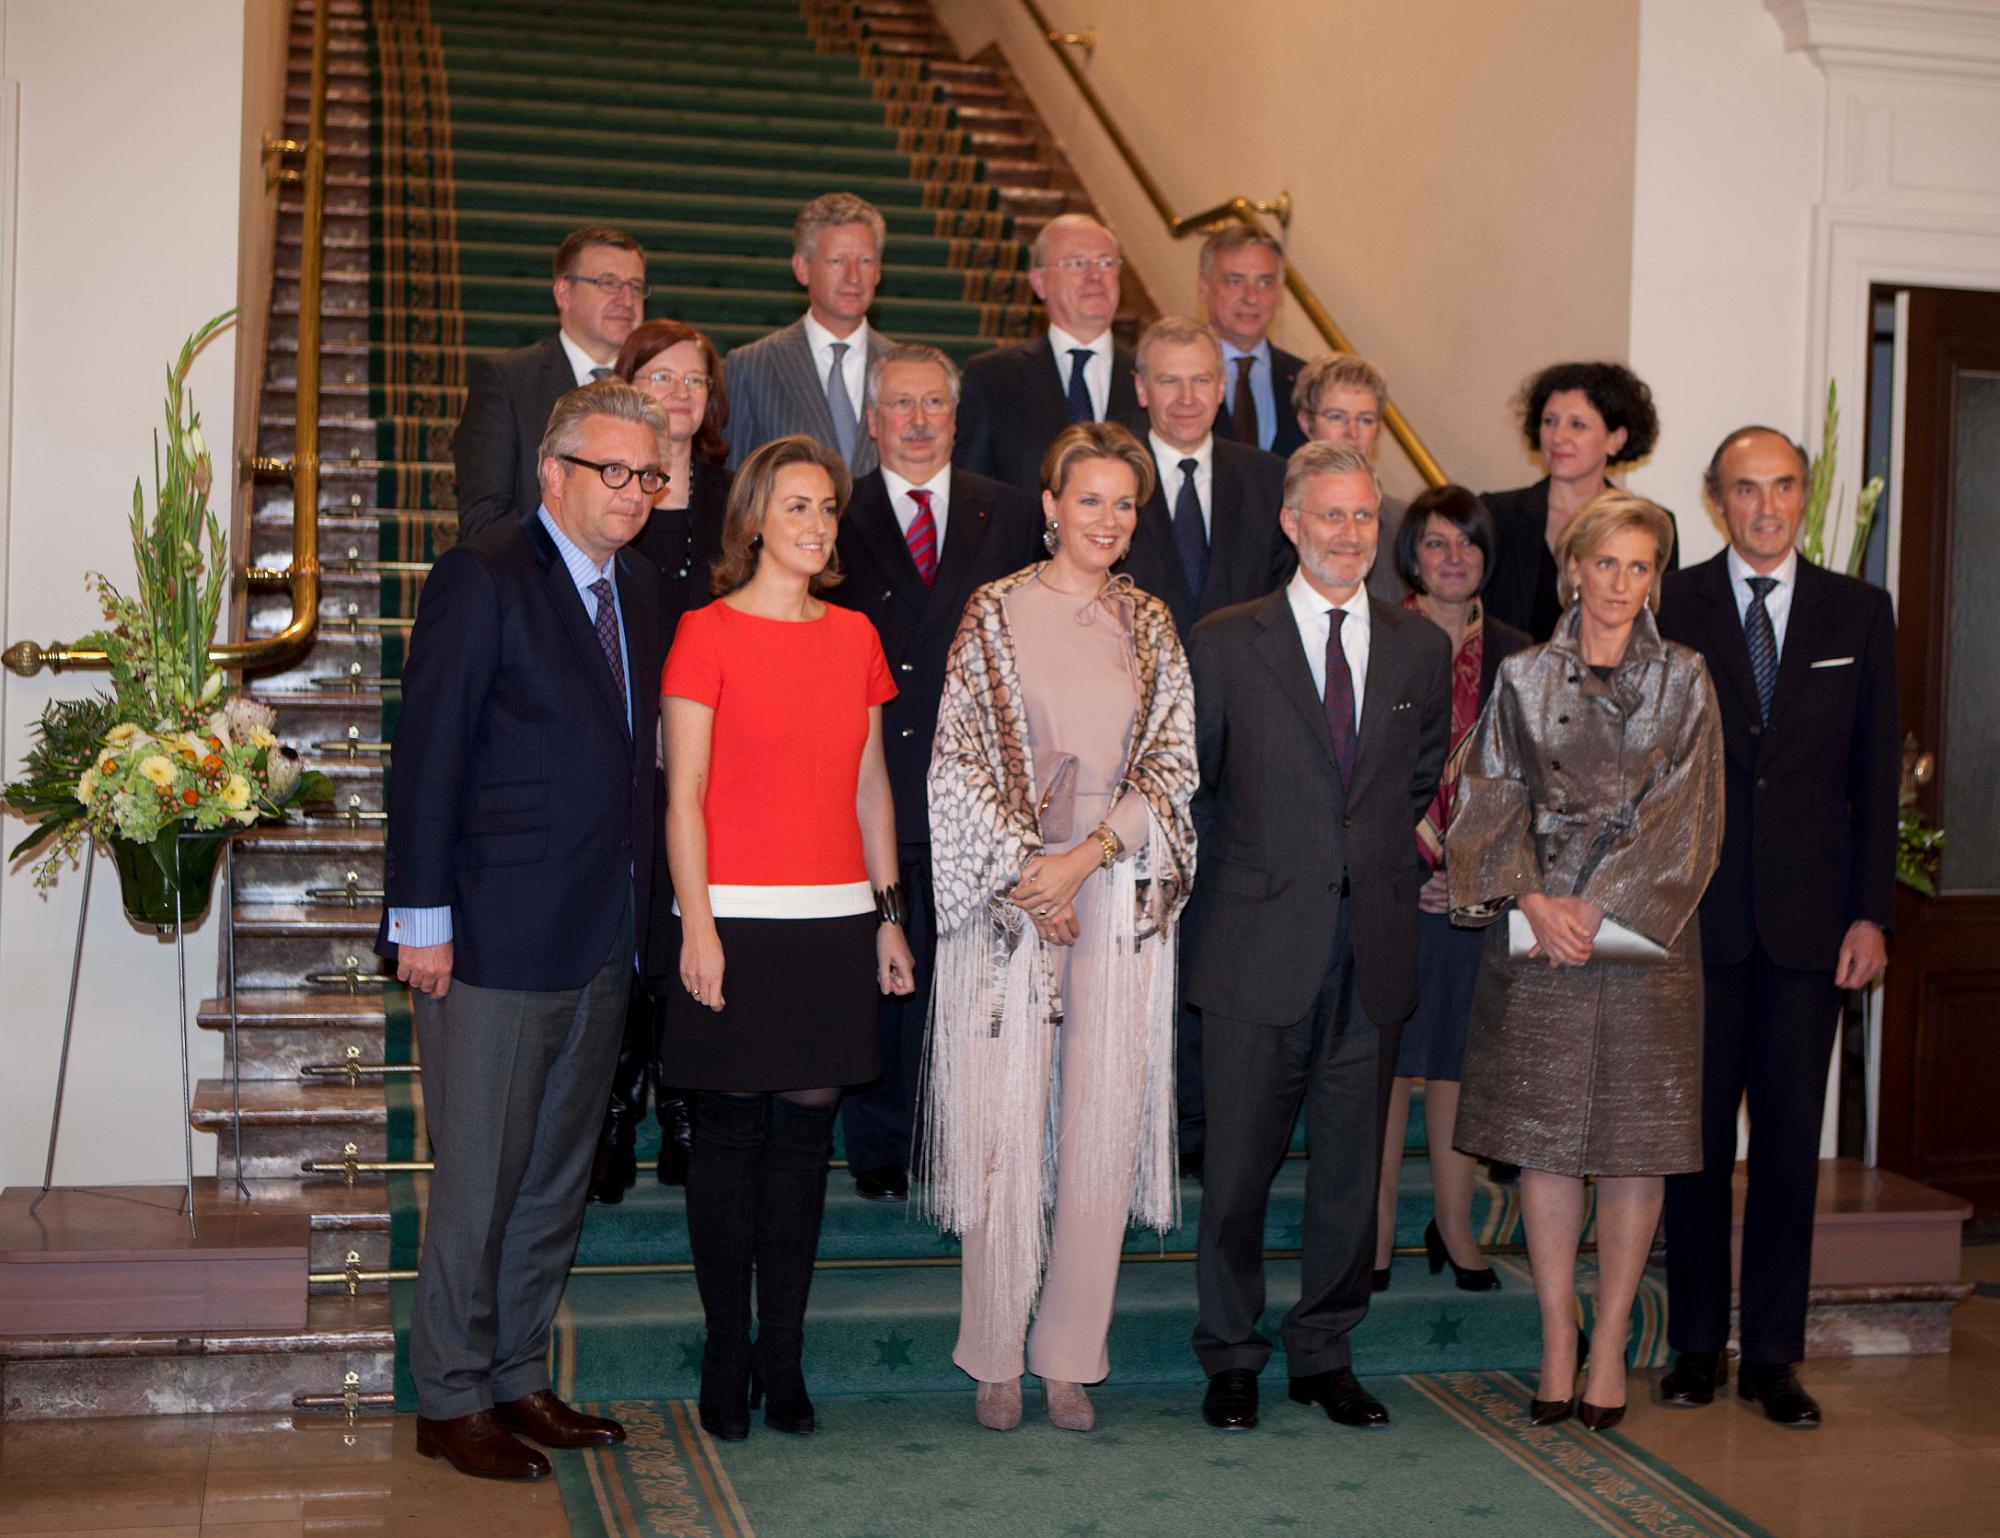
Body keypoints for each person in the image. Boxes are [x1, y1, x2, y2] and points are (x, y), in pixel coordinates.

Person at [379, 380, 670, 1481]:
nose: (634, 492)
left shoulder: (638, 590)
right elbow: (431, 753)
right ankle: (448, 1394)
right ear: (553, 472)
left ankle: (514, 1371)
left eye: (649, 474)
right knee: (479, 1175)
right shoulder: (484, 573)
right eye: (614, 470)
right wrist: (422, 916)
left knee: (552, 1175)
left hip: (601, 931)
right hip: (490, 935)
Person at [922, 422, 1197, 1435]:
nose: (1107, 520)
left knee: (1098, 1122)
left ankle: (1069, 1352)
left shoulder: (1150, 622)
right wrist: (1028, 877)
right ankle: (993, 1346)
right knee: (1002, 1125)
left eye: (1125, 504)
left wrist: (1084, 862)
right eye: (1089, 499)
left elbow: (1171, 767)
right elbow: (954, 763)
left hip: (1116, 894)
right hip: (1009, 898)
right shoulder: (992, 612)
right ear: (1048, 504)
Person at [1189, 441, 1451, 1435]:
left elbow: (1414, 777)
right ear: (1291, 522)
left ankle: (1323, 1349)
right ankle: (1229, 1353)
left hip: (1370, 949)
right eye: (1328, 516)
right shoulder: (1223, 639)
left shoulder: (1418, 647)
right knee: (1237, 1175)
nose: (1346, 534)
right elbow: (1199, 791)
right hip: (1253, 946)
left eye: (1361, 518)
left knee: (1350, 1174)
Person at [659, 435, 917, 1443]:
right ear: (755, 519)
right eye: (795, 506)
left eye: (825, 508)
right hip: (732, 919)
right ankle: (726, 1354)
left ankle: (784, 1356)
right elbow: (681, 798)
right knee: (728, 1142)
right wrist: (700, 924)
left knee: (803, 1149)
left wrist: (888, 918)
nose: (814, 525)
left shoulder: (853, 633)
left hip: (830, 923)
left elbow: (869, 787)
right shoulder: (704, 631)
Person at [1449, 490, 1723, 1434]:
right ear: (1574, 568)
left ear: (1656, 579)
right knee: (1547, 1144)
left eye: (1639, 566)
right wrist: (1534, 898)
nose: (1619, 583)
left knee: (1635, 1145)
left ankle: (1609, 1345)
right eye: (1604, 563)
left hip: (1645, 938)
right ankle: (1557, 1336)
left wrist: (1597, 906)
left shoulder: (1686, 678)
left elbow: (1689, 814)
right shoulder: (1523, 676)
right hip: (1540, 936)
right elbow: (1485, 797)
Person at [1656, 426, 1899, 1427]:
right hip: (1695, 925)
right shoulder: (1671, 600)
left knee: (1790, 1149)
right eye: (1744, 489)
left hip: (1810, 932)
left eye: (1782, 487)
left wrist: (1870, 913)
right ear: (1716, 501)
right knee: (1695, 1147)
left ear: (1804, 494)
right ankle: (1692, 1348)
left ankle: (1771, 1357)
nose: (1764, 506)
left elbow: (1872, 775)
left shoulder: (1857, 608)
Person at [825, 343, 1042, 1204]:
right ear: (872, 421)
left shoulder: (1014, 512)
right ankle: (879, 1139)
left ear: (958, 418)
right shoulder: (836, 513)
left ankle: (960, 1133)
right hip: (874, 773)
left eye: (934, 406)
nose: (918, 423)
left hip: (976, 787)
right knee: (883, 967)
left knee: (967, 971)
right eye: (900, 407)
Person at [585, 319, 734, 1204]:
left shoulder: (733, 493)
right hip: (626, 738)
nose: (682, 394)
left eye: (696, 380)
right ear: (629, 382)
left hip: (714, 746)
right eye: (664, 376)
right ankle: (612, 1110)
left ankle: (683, 1108)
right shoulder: (616, 494)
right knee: (630, 928)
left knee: (689, 926)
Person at [1369, 486, 1530, 1295]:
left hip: (1478, 894)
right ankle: (1374, 1229)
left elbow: (1533, 784)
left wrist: (1469, 876)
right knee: (1387, 1062)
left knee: (1460, 1061)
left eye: (1466, 544)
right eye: (1436, 543)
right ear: (1411, 555)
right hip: (1385, 883)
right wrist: (1408, 864)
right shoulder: (1372, 634)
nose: (1453, 558)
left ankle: (1457, 1225)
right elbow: (1351, 766)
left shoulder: (1522, 654)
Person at [453, 226, 647, 539]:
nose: (626, 299)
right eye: (608, 283)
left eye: (635, 286)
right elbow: (484, 517)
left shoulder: (654, 385)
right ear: (563, 293)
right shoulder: (508, 381)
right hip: (531, 580)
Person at [1118, 315, 1293, 640]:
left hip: (1240, 680)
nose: (1187, 397)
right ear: (1142, 389)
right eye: (1169, 381)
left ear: (1220, 387)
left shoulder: (1270, 480)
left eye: (1201, 380)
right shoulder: (1111, 479)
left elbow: (1283, 598)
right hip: (1131, 677)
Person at [953, 213, 1147, 496]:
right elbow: (970, 492)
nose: (1095, 276)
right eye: (1075, 264)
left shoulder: (1149, 375)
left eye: (1105, 262)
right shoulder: (993, 378)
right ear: (1039, 282)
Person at [1481, 361, 1674, 639]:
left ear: (1615, 440)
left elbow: (1652, 625)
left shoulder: (1651, 526)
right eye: (1549, 421)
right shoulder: (1498, 514)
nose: (1557, 437)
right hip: (1514, 678)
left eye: (1577, 425)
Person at [724, 192, 892, 476]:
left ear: (878, 272)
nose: (853, 277)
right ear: (802, 269)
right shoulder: (752, 366)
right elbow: (735, 489)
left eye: (865, 261)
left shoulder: (903, 368)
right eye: (837, 261)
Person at [1292, 351, 1409, 604]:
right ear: (1306, 422)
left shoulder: (1403, 521)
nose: (1352, 433)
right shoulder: (1273, 512)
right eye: (1337, 417)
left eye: (1365, 420)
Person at [1197, 223, 1307, 458]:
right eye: (1235, 281)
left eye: (1265, 283)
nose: (1252, 297)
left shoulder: (1304, 380)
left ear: (1279, 294)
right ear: (1203, 289)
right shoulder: (1172, 377)